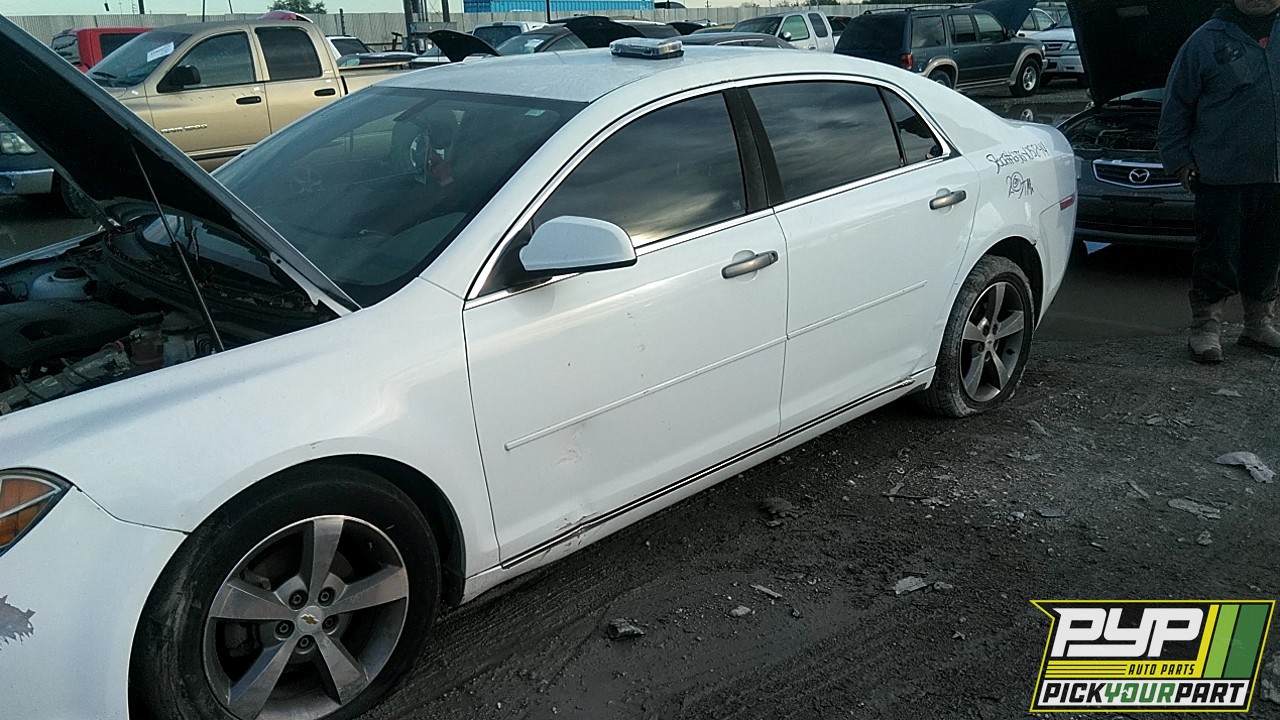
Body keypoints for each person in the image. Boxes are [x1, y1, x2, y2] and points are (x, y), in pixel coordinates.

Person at [1158, 0, 1280, 364]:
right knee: (1217, 254)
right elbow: (1176, 106)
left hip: (1276, 175)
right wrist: (1180, 162)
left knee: (1269, 253)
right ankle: (1206, 329)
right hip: (1222, 174)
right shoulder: (1206, 41)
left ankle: (1259, 325)